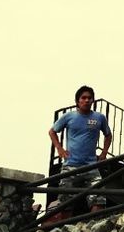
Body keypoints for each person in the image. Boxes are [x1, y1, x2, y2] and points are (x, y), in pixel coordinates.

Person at [48, 85, 112, 214]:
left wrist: (104, 152)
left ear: (93, 101)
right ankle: (62, 230)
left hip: (91, 167)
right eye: (84, 98)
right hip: (70, 166)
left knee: (98, 199)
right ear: (78, 101)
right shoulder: (69, 116)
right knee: (65, 202)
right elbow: (52, 131)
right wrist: (59, 149)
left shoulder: (99, 118)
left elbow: (108, 135)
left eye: (89, 98)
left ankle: (95, 228)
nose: (87, 100)